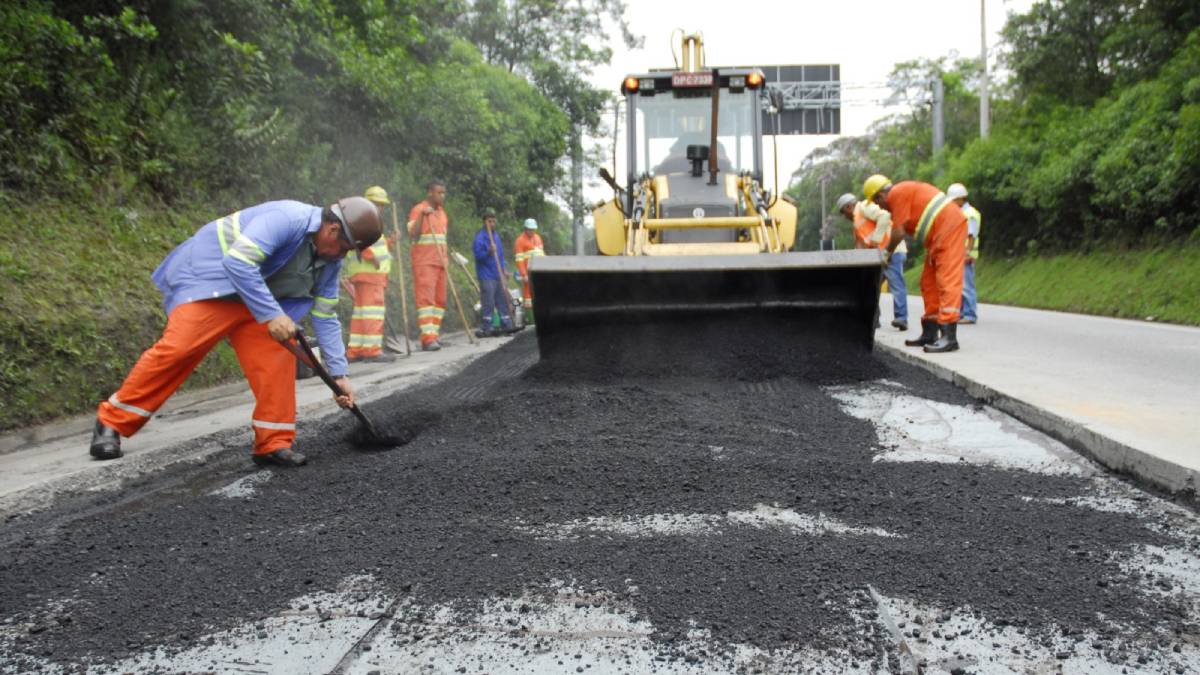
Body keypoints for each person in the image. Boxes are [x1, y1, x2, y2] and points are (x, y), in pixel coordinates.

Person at [90, 198, 383, 467]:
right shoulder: (286, 218)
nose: (343, 255)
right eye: (345, 248)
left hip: (258, 301)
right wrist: (272, 315)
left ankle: (273, 444)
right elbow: (238, 263)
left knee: (278, 356)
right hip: (213, 282)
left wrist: (339, 374)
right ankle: (111, 422)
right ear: (332, 230)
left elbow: (325, 314)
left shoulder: (330, 261)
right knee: (179, 349)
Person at [865, 174, 968, 353]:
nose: (880, 208)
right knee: (928, 283)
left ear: (880, 196)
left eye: (877, 203)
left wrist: (887, 253)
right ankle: (930, 332)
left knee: (946, 280)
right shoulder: (901, 194)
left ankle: (949, 336)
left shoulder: (897, 193)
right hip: (937, 236)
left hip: (949, 227)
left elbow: (898, 232)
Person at [835, 192, 908, 331]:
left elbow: (884, 216)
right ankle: (874, 319)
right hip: (879, 256)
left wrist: (876, 239)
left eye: (844, 212)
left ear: (849, 206)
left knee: (896, 284)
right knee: (871, 287)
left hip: (893, 251)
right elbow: (860, 246)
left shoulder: (864, 207)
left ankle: (901, 318)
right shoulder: (857, 223)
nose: (845, 217)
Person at [343, 186, 395, 362]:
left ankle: (355, 350)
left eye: (382, 205)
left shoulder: (364, 220)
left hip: (364, 275)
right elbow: (359, 242)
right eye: (377, 204)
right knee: (373, 312)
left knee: (361, 313)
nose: (380, 208)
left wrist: (389, 243)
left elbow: (372, 245)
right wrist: (371, 257)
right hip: (371, 275)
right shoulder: (365, 220)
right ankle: (372, 350)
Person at [407, 180, 449, 351]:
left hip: (441, 263)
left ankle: (434, 335)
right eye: (439, 192)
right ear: (430, 193)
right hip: (425, 262)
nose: (442, 196)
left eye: (444, 193)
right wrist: (422, 216)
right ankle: (428, 338)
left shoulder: (442, 213)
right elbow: (414, 235)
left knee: (440, 301)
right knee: (426, 301)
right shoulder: (418, 209)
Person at [472, 210, 513, 337]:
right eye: (489, 221)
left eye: (494, 221)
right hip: (486, 275)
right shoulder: (480, 238)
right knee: (488, 301)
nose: (492, 224)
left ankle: (507, 325)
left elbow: (500, 256)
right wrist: (488, 251)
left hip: (497, 274)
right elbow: (478, 256)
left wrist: (503, 269)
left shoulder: (496, 236)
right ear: (484, 222)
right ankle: (486, 327)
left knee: (502, 300)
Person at [947, 183, 981, 324]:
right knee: (960, 285)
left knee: (967, 286)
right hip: (959, 254)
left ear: (961, 199)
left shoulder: (970, 214)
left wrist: (967, 253)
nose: (952, 203)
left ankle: (970, 314)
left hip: (965, 254)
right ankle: (962, 312)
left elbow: (971, 235)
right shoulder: (962, 212)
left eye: (954, 200)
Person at [513, 218, 545, 319]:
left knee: (540, 294)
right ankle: (530, 318)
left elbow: (542, 254)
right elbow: (519, 259)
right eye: (530, 229)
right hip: (528, 273)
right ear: (525, 229)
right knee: (528, 297)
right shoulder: (520, 241)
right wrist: (524, 274)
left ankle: (541, 316)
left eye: (533, 229)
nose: (532, 232)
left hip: (539, 272)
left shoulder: (538, 238)